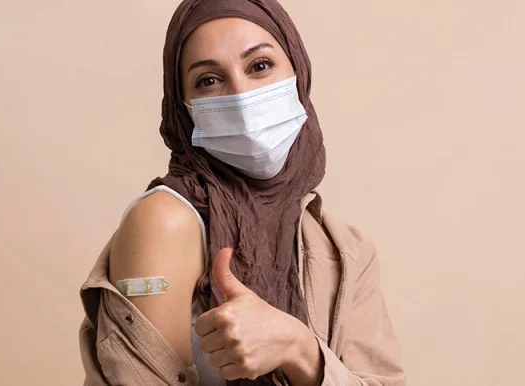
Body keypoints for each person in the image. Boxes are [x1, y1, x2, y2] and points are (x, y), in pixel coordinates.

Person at [79, 0, 405, 385]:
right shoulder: (165, 222)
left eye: (260, 66)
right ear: (183, 108)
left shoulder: (344, 250)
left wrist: (300, 349)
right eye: (208, 80)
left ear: (298, 73)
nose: (241, 96)